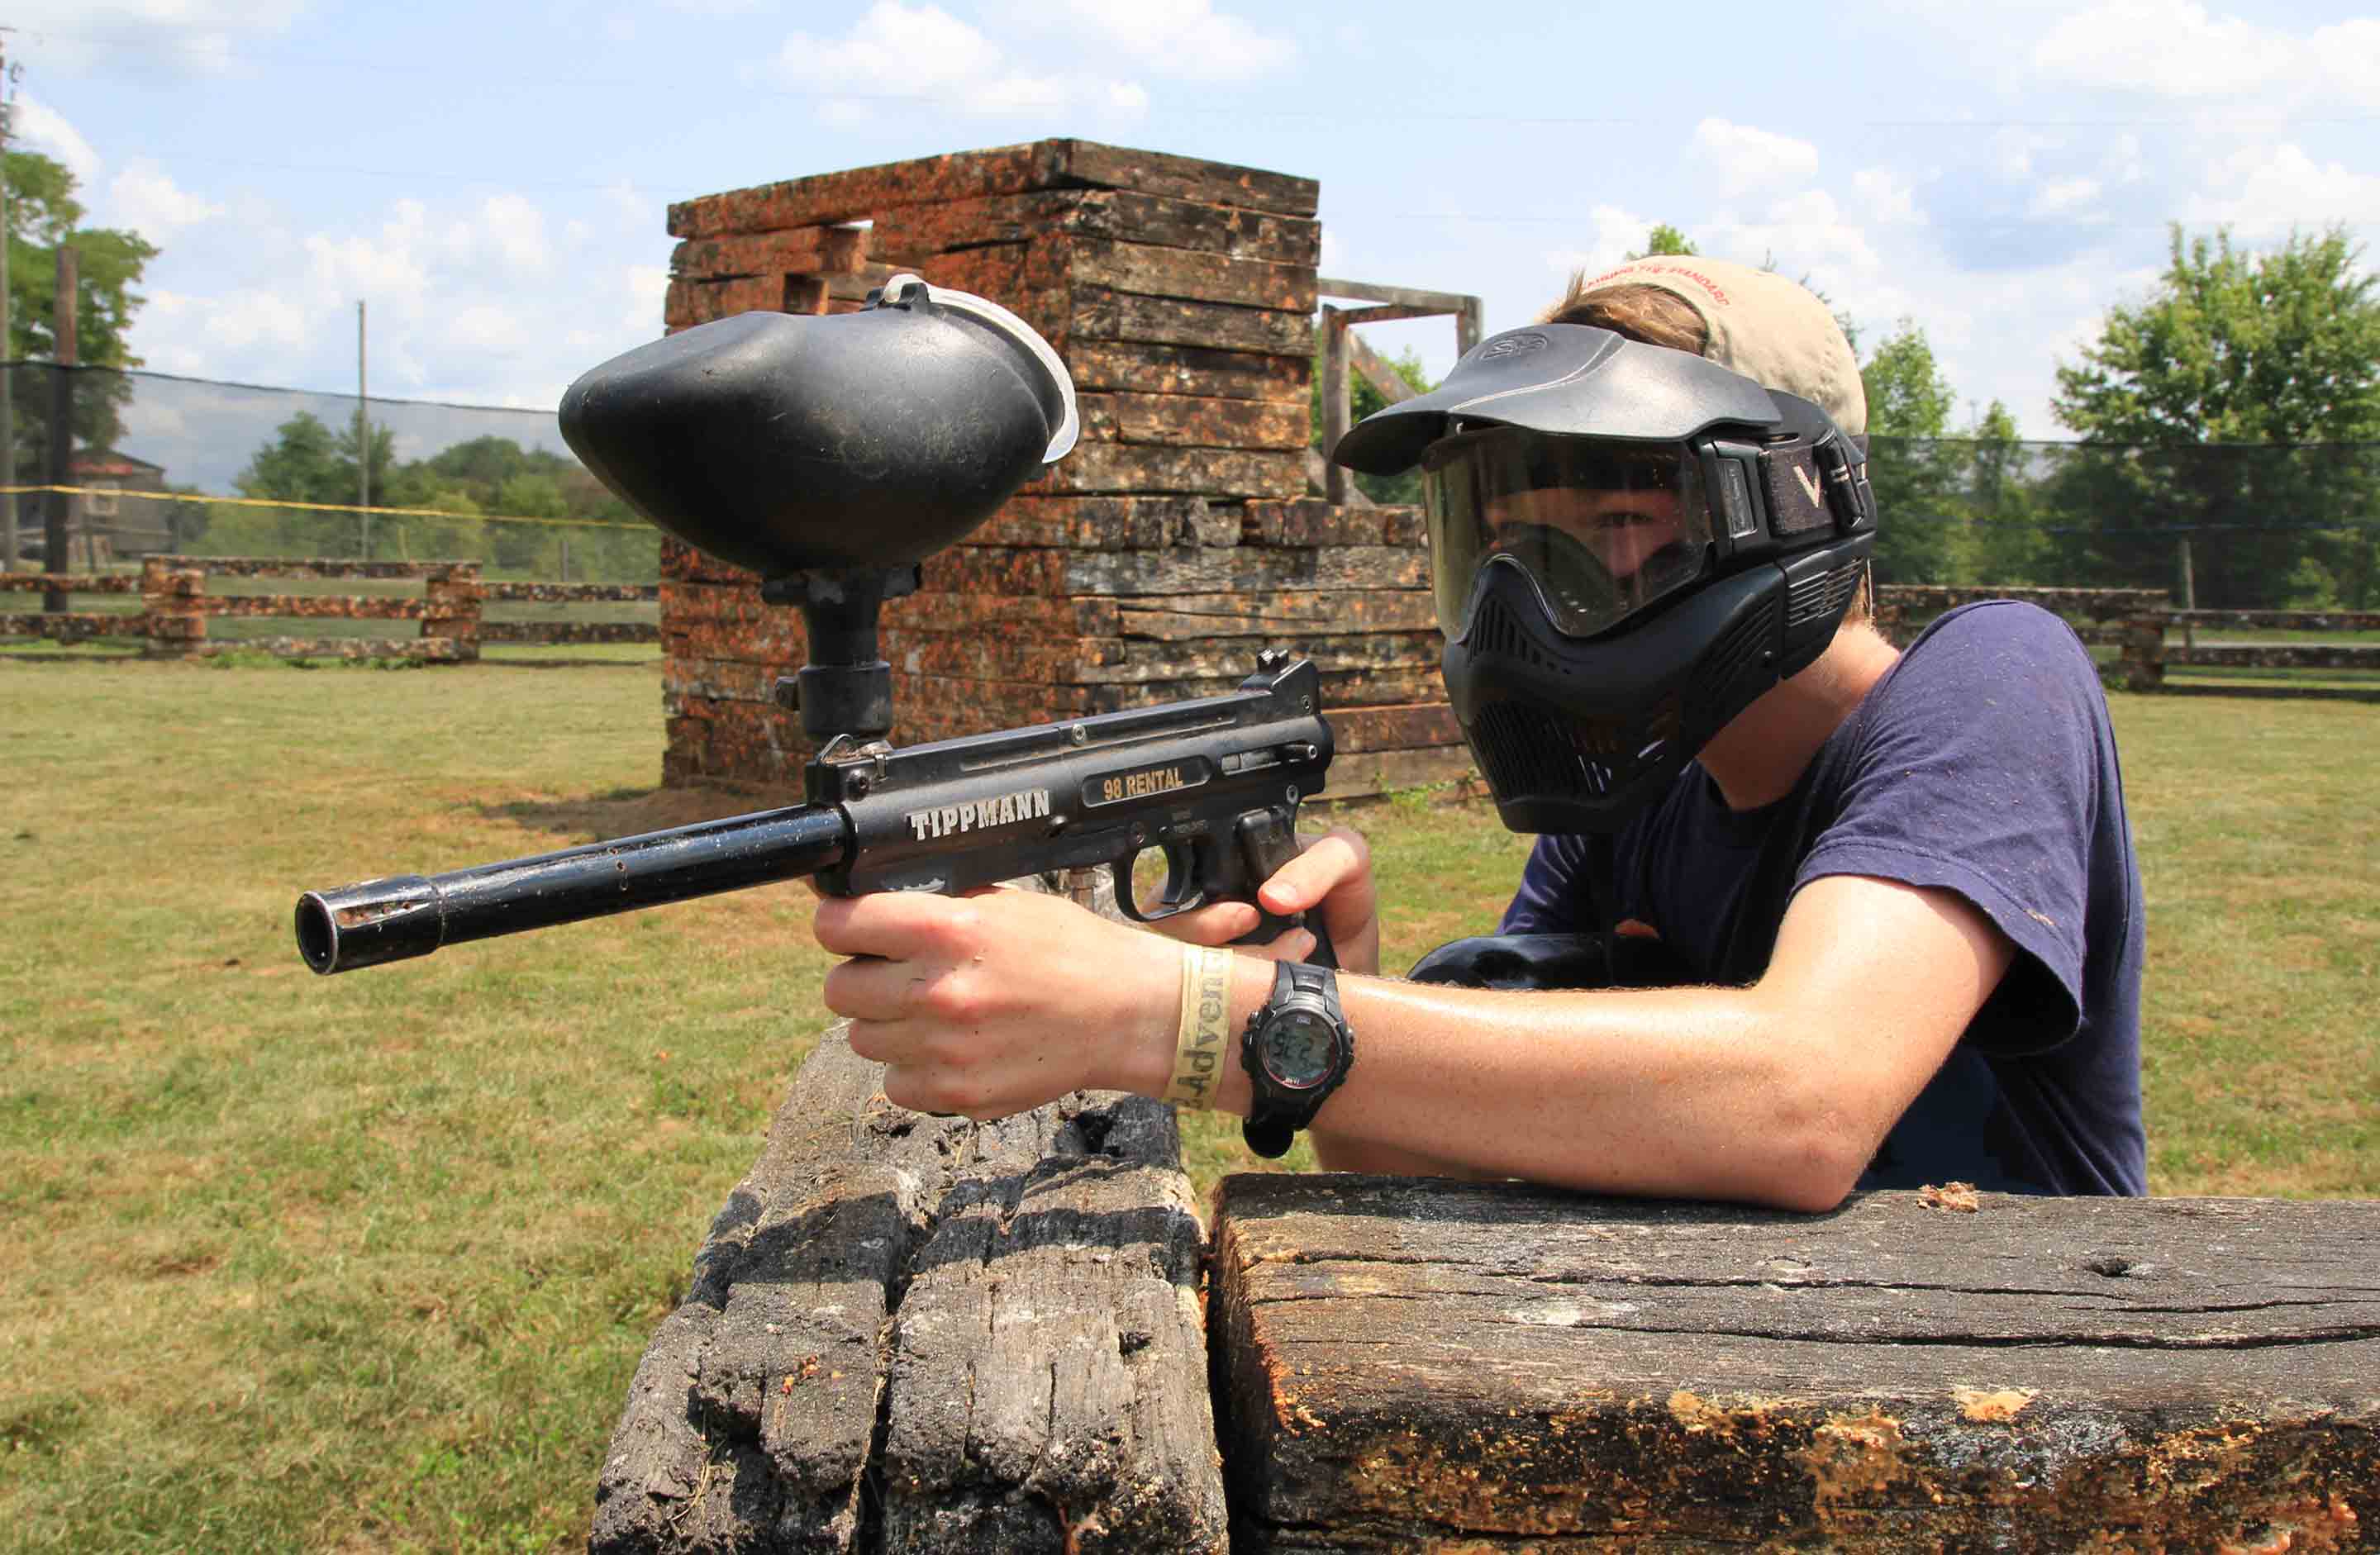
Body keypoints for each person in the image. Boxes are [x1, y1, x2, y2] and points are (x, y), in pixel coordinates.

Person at [813, 256, 2146, 1210]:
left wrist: (1175, 1011)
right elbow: (1416, 1175)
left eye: (1616, 527)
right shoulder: (1635, 790)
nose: (1525, 605)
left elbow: (1800, 1098)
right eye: (1503, 539)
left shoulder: (1989, 680)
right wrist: (1338, 973)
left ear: (1790, 506)